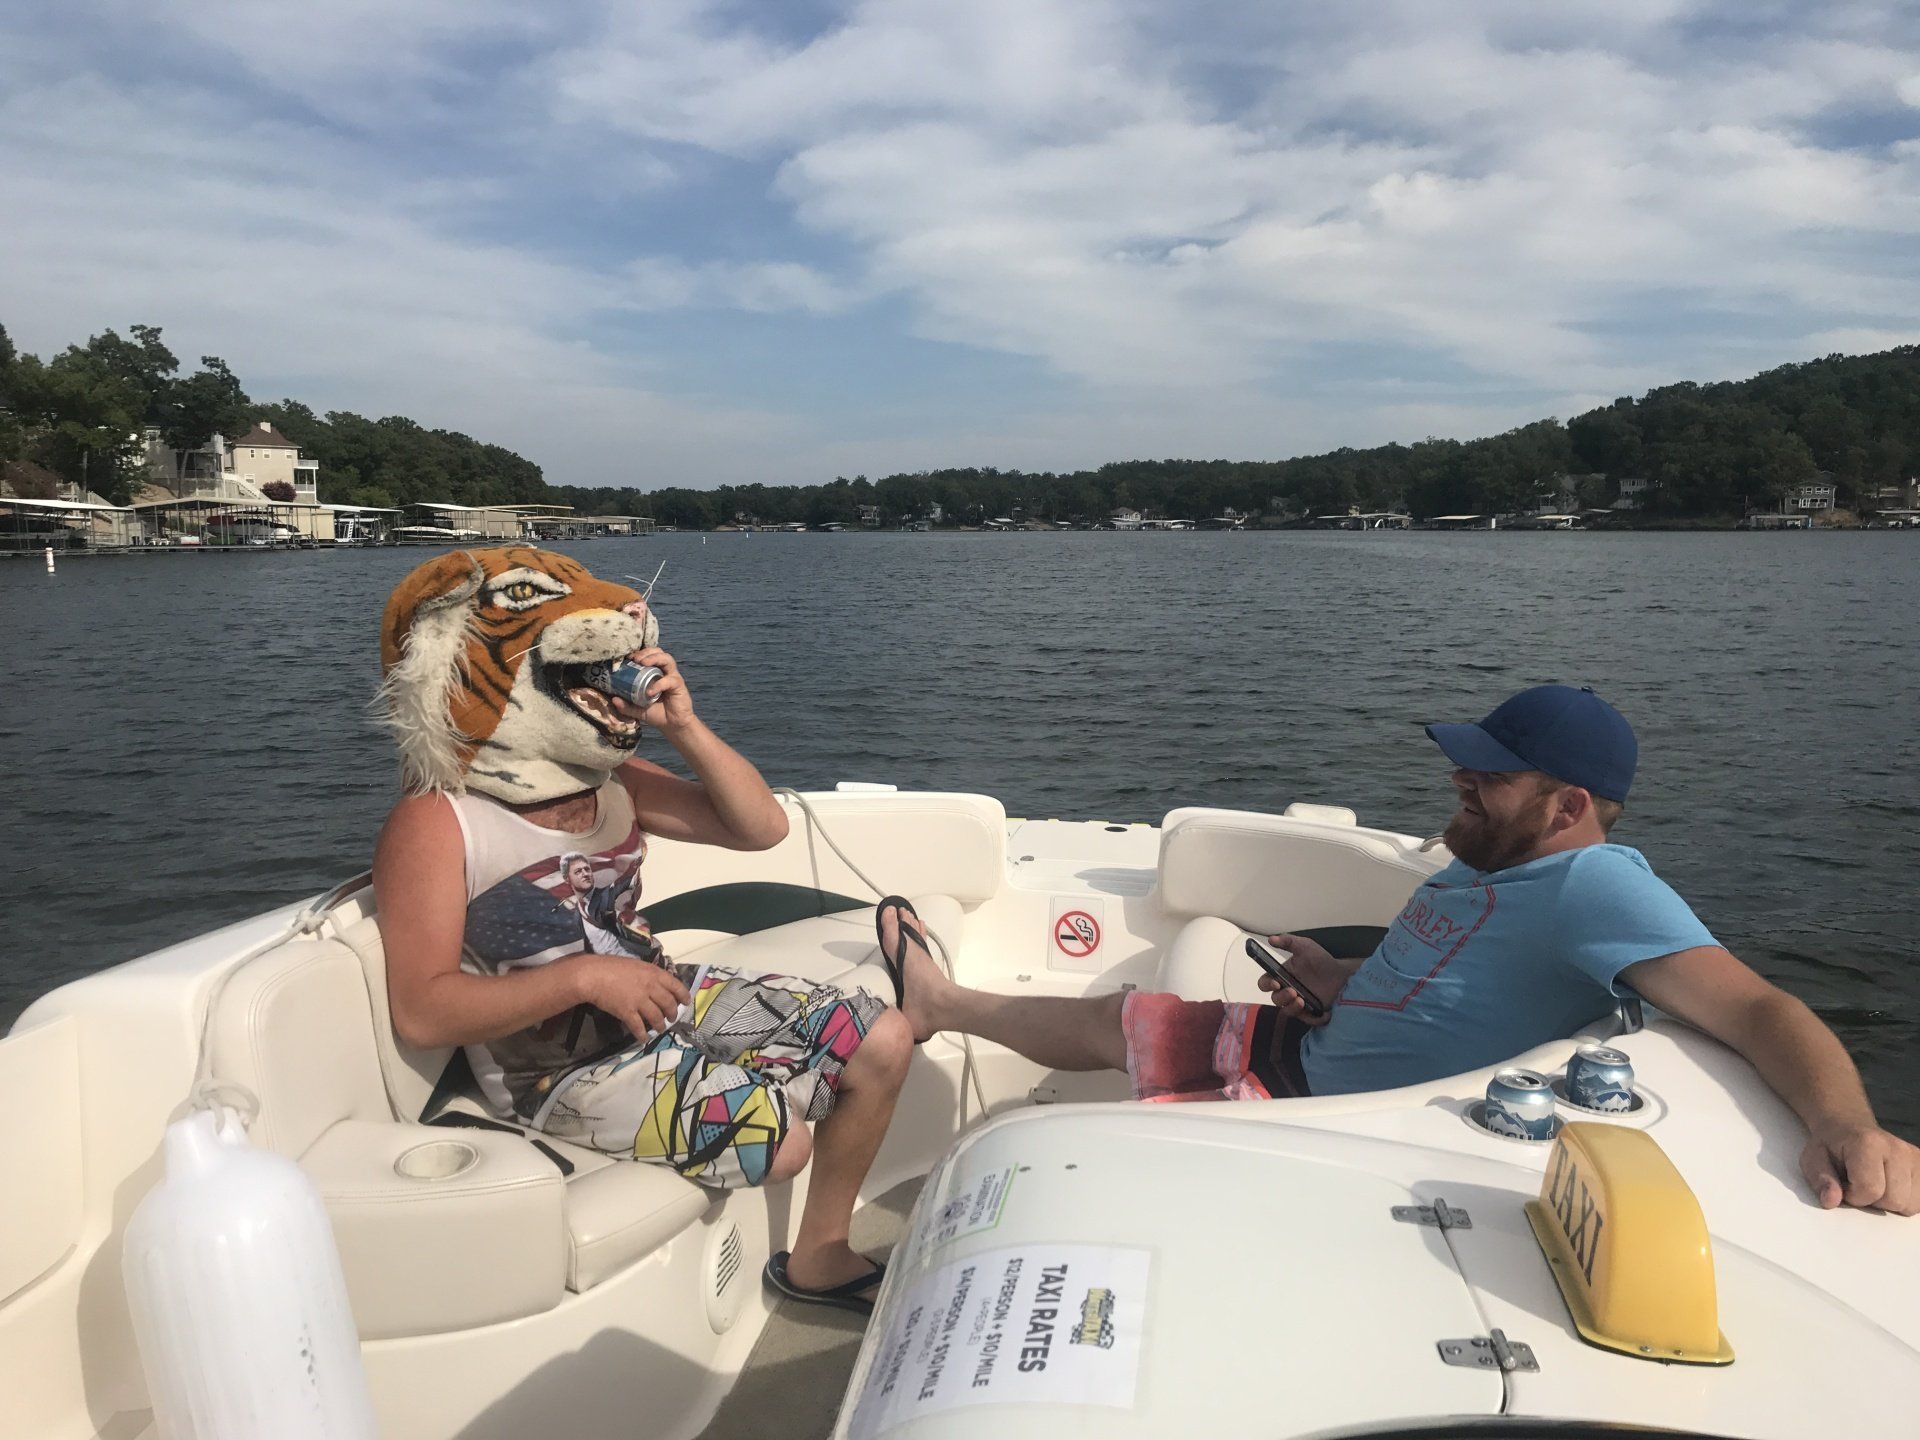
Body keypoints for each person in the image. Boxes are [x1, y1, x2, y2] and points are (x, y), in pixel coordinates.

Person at [882, 685, 1918, 1216]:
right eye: (1468, 762)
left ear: (1567, 807)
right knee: (1119, 1019)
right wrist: (1340, 983)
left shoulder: (1598, 885)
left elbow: (1757, 1010)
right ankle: (940, 1005)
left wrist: (1846, 1122)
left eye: (1490, 773)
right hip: (1309, 1052)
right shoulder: (1484, 859)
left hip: (1336, 1119)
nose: (1462, 780)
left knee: (1051, 1158)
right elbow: (1448, 974)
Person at [372, 546, 912, 1310]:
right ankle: (750, 1113)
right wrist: (585, 977)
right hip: (559, 1069)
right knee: (782, 1138)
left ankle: (820, 1254)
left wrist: (682, 727)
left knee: (883, 1037)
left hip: (661, 997)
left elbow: (760, 829)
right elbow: (422, 1010)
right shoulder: (438, 822)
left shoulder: (608, 781)